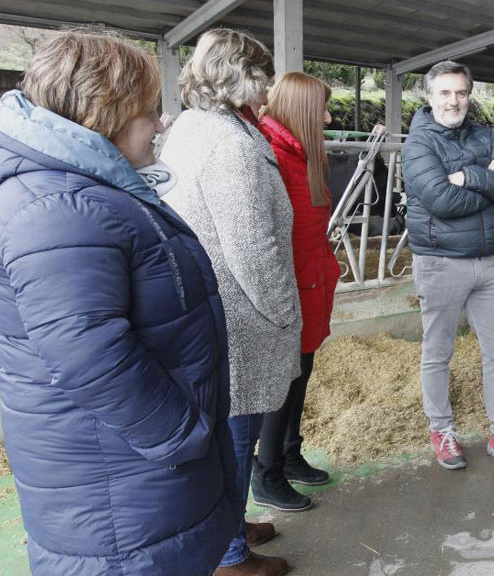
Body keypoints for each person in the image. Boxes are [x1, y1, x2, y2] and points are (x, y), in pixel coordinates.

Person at [0, 30, 242, 576]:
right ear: (104, 113)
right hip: (118, 490)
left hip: (129, 475)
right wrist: (181, 433)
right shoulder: (56, 207)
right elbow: (88, 354)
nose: (161, 123)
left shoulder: (79, 187)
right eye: (149, 111)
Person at [160, 28, 296, 576]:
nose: (266, 94)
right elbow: (254, 248)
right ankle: (230, 556)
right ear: (240, 79)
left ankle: (231, 527)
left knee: (228, 436)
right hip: (243, 319)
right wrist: (287, 313)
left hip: (214, 309)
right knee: (238, 437)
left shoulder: (195, 128)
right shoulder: (232, 147)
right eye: (261, 80)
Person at [401, 60, 494, 472]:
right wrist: (488, 179)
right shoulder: (419, 143)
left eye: (461, 92)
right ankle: (441, 430)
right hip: (440, 261)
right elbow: (441, 201)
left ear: (469, 94)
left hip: (488, 261)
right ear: (430, 97)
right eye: (444, 93)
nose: (454, 100)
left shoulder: (483, 134)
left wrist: (467, 176)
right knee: (438, 351)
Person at [249, 72, 339, 509]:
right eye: (321, 108)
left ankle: (287, 455)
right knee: (282, 383)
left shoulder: (302, 154)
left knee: (299, 376)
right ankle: (265, 473)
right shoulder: (271, 154)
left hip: (311, 281)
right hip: (290, 290)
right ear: (303, 110)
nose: (326, 116)